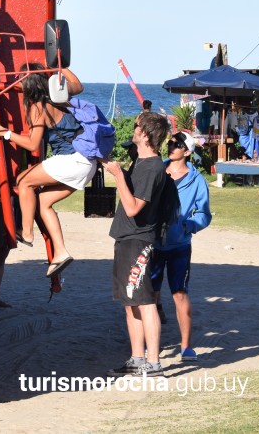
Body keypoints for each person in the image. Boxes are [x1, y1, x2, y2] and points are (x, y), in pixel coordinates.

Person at [0, 65, 89, 277]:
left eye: (19, 78)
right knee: (43, 203)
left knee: (24, 180)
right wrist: (60, 68)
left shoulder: (37, 108)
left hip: (72, 160)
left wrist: (6, 133)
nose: (18, 82)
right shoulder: (59, 98)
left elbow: (33, 144)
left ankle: (27, 233)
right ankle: (61, 252)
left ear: (29, 83)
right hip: (87, 163)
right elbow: (78, 86)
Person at [102, 112, 169, 378]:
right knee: (131, 302)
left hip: (139, 239)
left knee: (144, 300)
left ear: (145, 133)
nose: (133, 128)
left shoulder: (152, 167)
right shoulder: (141, 162)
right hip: (128, 239)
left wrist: (118, 174)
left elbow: (132, 208)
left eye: (136, 126)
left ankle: (153, 362)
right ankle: (137, 358)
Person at [151, 132, 212, 362]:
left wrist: (188, 226)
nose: (171, 146)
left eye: (177, 144)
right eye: (170, 143)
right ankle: (151, 346)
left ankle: (186, 347)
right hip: (154, 243)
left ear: (187, 151)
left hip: (179, 246)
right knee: (151, 295)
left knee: (179, 294)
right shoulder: (157, 170)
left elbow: (205, 214)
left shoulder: (197, 181)